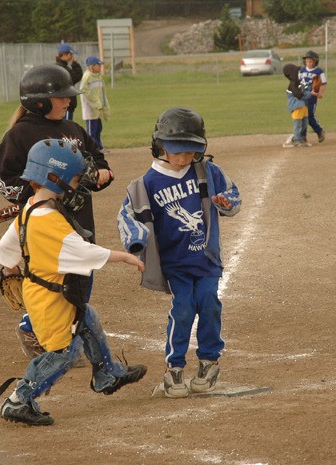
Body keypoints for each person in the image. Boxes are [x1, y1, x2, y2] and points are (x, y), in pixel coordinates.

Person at [0, 138, 147, 426]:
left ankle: (106, 374)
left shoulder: (29, 209)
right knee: (64, 353)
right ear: (55, 178)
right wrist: (124, 257)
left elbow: (6, 250)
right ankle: (18, 400)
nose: (77, 185)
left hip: (47, 291)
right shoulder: (47, 220)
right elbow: (83, 250)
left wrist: (11, 267)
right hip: (49, 300)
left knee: (87, 317)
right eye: (75, 179)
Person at [116, 107, 242, 398]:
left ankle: (209, 362)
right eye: (177, 151)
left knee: (209, 303)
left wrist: (226, 203)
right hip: (175, 264)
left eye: (190, 151)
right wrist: (136, 241)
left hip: (206, 258)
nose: (184, 158)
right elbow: (127, 216)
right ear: (160, 147)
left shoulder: (207, 172)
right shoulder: (146, 184)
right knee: (184, 309)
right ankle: (174, 368)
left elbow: (234, 197)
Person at [0, 64, 112, 363]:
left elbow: (97, 158)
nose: (68, 102)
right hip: (44, 223)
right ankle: (32, 329)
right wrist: (32, 194)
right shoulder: (20, 135)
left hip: (78, 218)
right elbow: (4, 177)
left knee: (82, 277)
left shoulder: (73, 130)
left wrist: (101, 173)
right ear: (40, 101)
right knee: (53, 282)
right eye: (62, 97)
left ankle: (64, 335)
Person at [79, 56, 110, 150]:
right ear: (92, 66)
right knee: (91, 131)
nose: (100, 67)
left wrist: (104, 105)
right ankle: (91, 149)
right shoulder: (87, 76)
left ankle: (98, 147)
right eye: (98, 65)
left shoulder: (98, 76)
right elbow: (84, 91)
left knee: (98, 129)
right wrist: (96, 103)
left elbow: (102, 92)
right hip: (90, 110)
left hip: (98, 109)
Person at [299, 50, 327, 144]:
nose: (309, 63)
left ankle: (319, 131)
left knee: (309, 115)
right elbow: (299, 82)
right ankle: (303, 136)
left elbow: (323, 84)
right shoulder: (302, 70)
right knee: (302, 116)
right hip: (303, 96)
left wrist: (320, 93)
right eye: (307, 61)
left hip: (312, 97)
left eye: (311, 61)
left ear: (315, 62)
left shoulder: (318, 71)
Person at [282, 63, 311, 148]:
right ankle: (297, 140)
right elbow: (299, 95)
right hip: (297, 107)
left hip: (303, 107)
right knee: (298, 124)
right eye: (296, 72)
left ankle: (301, 138)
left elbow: (305, 88)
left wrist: (312, 86)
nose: (298, 73)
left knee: (305, 124)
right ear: (292, 74)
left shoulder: (299, 82)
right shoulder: (293, 84)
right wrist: (310, 93)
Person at [55, 43, 83, 121]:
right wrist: (75, 65)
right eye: (70, 54)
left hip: (63, 104)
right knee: (65, 127)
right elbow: (76, 77)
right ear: (64, 54)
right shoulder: (63, 69)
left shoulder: (60, 67)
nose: (72, 57)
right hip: (65, 104)